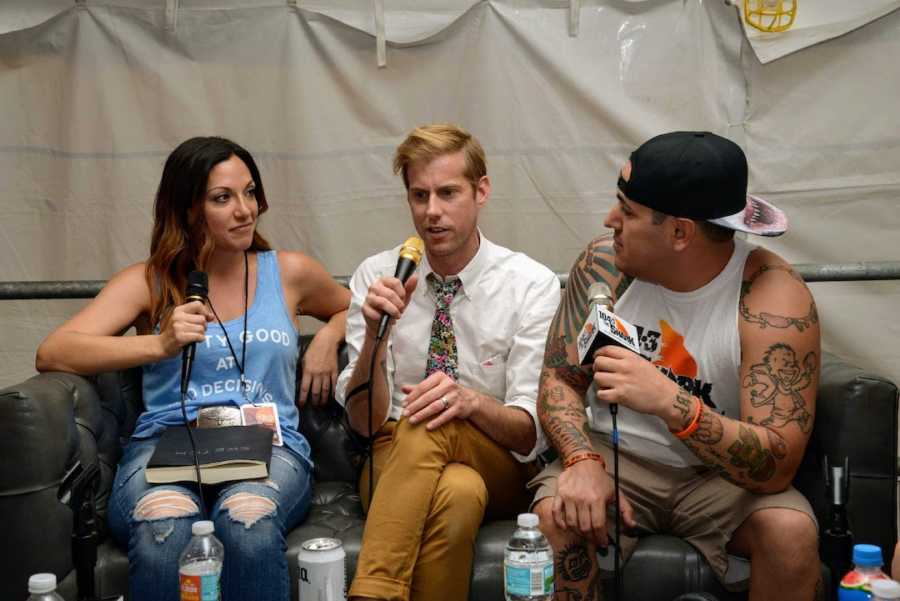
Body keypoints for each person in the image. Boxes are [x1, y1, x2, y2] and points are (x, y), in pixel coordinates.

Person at [35, 136, 350, 601]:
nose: (245, 210)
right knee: (164, 527)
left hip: (268, 444)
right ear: (187, 210)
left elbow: (358, 309)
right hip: (168, 444)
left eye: (249, 192)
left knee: (247, 522)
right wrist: (159, 344)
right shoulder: (150, 281)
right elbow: (54, 351)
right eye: (223, 198)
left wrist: (328, 335)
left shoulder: (289, 272)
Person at [531, 131, 821, 599]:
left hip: (720, 478)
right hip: (614, 453)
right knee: (556, 517)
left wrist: (673, 404)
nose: (610, 221)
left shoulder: (772, 297)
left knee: (790, 533)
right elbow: (561, 378)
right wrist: (581, 460)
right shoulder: (603, 266)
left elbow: (777, 464)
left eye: (627, 211)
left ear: (680, 232)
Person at [334, 123, 560, 601]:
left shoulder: (529, 284)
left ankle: (373, 592)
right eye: (419, 195)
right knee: (456, 494)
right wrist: (379, 334)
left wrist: (468, 402)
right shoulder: (378, 275)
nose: (431, 212)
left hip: (497, 456)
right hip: (393, 456)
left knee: (430, 415)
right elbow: (365, 424)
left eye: (447, 193)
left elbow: (528, 433)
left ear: (481, 191)